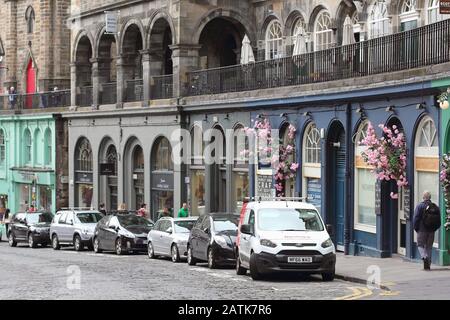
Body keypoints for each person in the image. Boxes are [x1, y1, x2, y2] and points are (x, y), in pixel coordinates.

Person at [413, 191, 441, 270]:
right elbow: (439, 220)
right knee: (429, 247)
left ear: (423, 197)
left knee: (420, 245)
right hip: (431, 230)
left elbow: (416, 218)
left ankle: (424, 257)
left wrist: (416, 228)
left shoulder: (420, 206)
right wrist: (435, 228)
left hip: (422, 230)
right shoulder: (435, 207)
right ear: (430, 197)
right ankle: (428, 264)